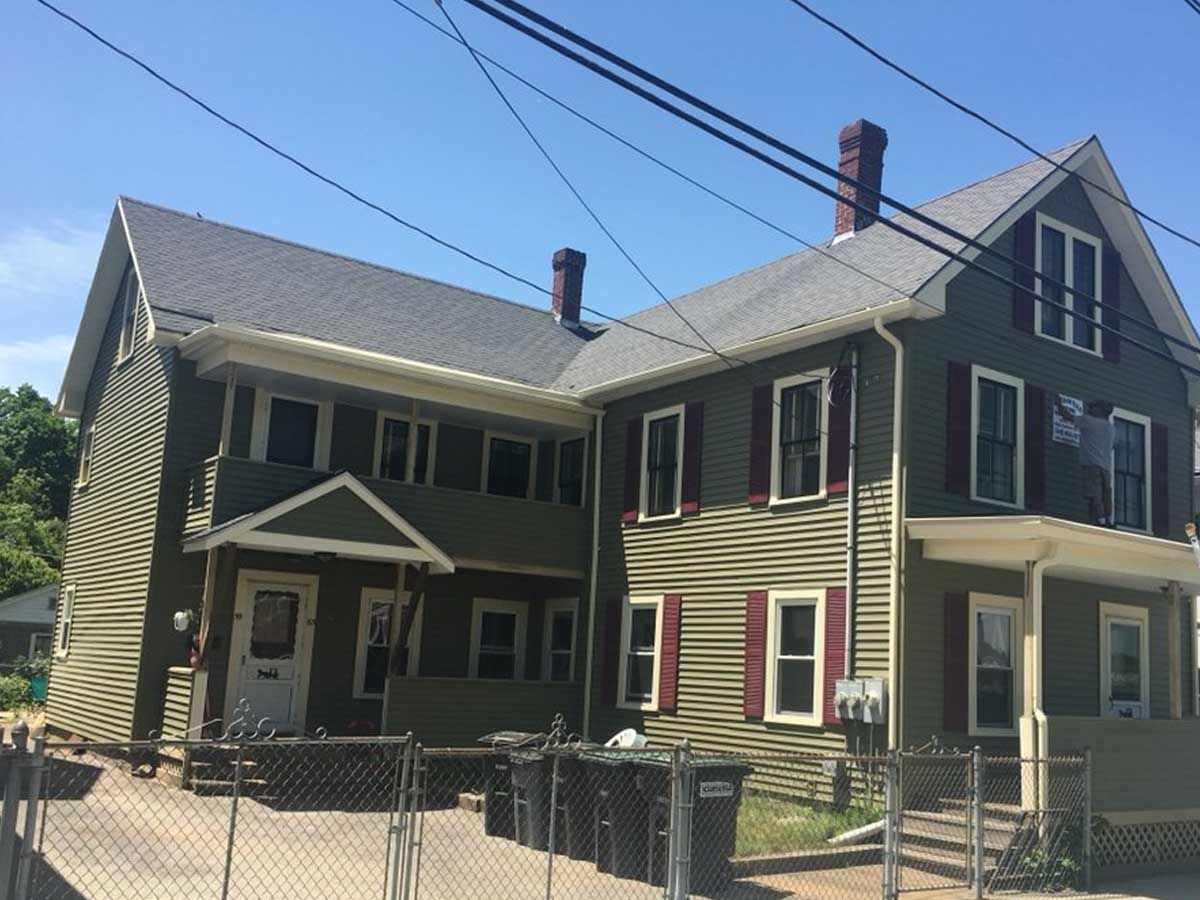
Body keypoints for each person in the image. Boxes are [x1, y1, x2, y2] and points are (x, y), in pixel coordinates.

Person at [1078, 400, 1114, 526]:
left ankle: (1101, 521)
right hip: (1106, 468)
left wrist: (1059, 404)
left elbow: (1066, 416)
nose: (1090, 409)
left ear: (1100, 409)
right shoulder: (1111, 428)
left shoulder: (1088, 421)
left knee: (1095, 495)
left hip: (1092, 466)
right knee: (1106, 494)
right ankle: (1109, 520)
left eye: (1093, 406)